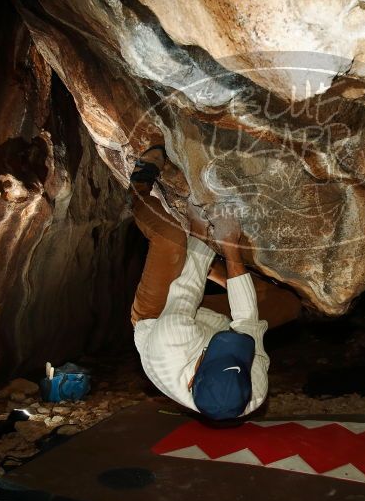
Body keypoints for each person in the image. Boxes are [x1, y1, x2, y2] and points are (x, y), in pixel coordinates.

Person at [127, 145, 301, 420]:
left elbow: (188, 289)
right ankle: (218, 270)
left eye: (222, 352)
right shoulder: (253, 392)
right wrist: (230, 246)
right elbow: (246, 324)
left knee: (173, 239)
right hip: (207, 325)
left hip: (158, 316)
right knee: (288, 305)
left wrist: (203, 231)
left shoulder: (169, 346)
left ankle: (137, 189)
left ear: (193, 376)